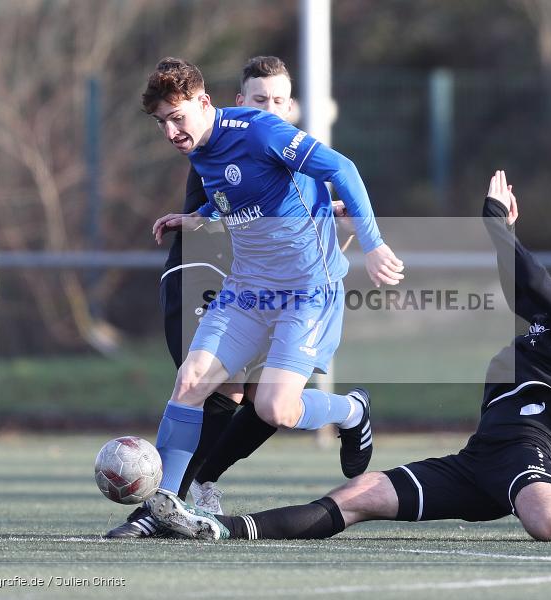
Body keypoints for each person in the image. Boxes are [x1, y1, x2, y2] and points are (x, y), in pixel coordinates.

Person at [155, 169, 551, 543]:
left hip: (529, 456)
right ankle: (224, 529)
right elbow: (525, 286)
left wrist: (496, 226)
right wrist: (502, 232)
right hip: (477, 462)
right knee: (357, 495)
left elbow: (535, 288)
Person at [139, 57, 404, 536]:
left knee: (274, 409)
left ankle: (352, 410)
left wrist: (373, 242)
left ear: (205, 102)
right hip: (247, 290)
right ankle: (163, 505)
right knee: (191, 379)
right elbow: (245, 199)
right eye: (162, 122)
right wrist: (197, 216)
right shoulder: (200, 149)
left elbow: (342, 168)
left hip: (308, 292)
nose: (172, 131)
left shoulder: (260, 131)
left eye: (178, 117)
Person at [105, 56, 307, 538]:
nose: (270, 109)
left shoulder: (295, 152)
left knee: (264, 400)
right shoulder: (215, 144)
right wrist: (197, 221)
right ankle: (158, 506)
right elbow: (223, 214)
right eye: (260, 100)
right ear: (239, 103)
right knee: (212, 387)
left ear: (292, 105)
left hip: (263, 288)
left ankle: (195, 484)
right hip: (204, 277)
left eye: (280, 100)